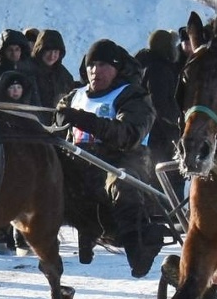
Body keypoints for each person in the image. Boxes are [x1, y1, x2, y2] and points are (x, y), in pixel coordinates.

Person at [55, 39, 166, 278]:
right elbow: (56, 132)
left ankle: (140, 250)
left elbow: (127, 136)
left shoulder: (133, 96)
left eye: (103, 65)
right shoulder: (74, 97)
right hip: (78, 169)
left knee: (120, 183)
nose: (95, 71)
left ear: (117, 68)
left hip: (122, 164)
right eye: (91, 65)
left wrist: (85, 121)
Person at [134, 30, 183, 171]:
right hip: (159, 136)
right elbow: (159, 104)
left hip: (144, 130)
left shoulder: (142, 65)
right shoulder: (159, 69)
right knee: (167, 177)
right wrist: (177, 122)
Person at [30, 29, 76, 109]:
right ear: (40, 50)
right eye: (48, 51)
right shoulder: (28, 70)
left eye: (55, 52)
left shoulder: (64, 75)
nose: (52, 55)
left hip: (57, 118)